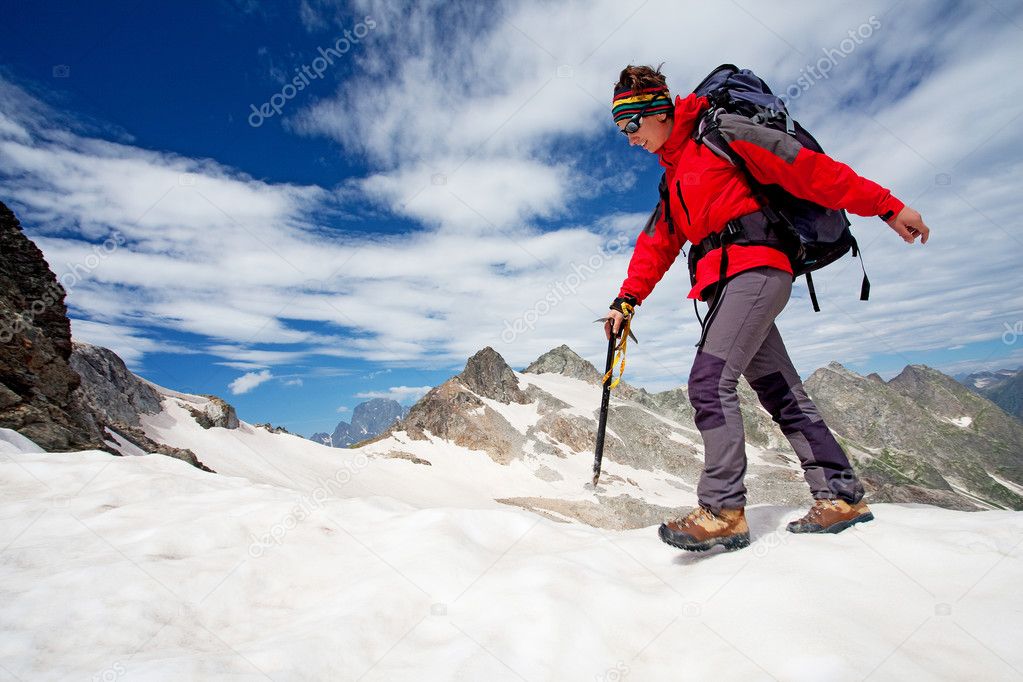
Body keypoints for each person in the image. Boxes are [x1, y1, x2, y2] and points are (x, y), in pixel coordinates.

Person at [604, 64, 930, 552]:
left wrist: (886, 205)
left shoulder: (722, 133)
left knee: (709, 382)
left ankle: (723, 511)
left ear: (659, 110)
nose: (629, 139)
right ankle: (841, 495)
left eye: (633, 125)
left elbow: (810, 171)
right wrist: (626, 300)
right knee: (780, 391)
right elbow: (656, 244)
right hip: (724, 286)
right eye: (620, 130)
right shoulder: (673, 178)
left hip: (756, 270)